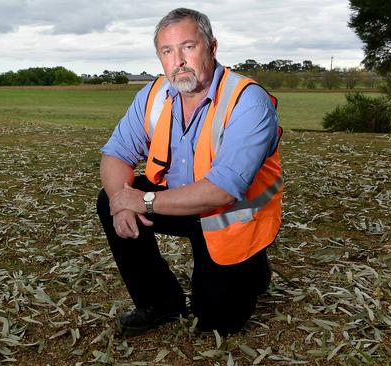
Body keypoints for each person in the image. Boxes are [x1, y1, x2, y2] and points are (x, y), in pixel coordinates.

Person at [96, 8, 282, 337]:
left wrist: (143, 201)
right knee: (108, 199)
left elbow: (223, 190)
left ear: (212, 47)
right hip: (178, 203)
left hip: (231, 216)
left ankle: (254, 267)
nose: (178, 60)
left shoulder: (247, 101)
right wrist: (120, 200)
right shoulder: (153, 96)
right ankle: (161, 302)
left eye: (188, 47)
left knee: (216, 323)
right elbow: (116, 153)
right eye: (167, 51)